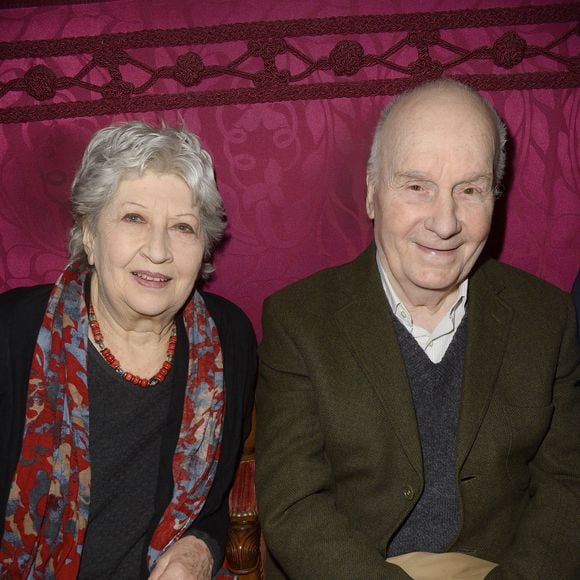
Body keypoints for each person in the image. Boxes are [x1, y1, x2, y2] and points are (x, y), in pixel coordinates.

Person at [255, 79, 580, 579]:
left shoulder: (548, 318)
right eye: (417, 186)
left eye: (469, 190)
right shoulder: (299, 321)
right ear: (371, 193)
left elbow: (567, 484)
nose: (445, 222)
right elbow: (294, 505)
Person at [0, 121, 257, 579]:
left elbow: (215, 505)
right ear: (89, 235)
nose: (158, 251)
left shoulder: (227, 340)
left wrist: (201, 548)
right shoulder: (12, 335)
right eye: (133, 218)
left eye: (182, 227)